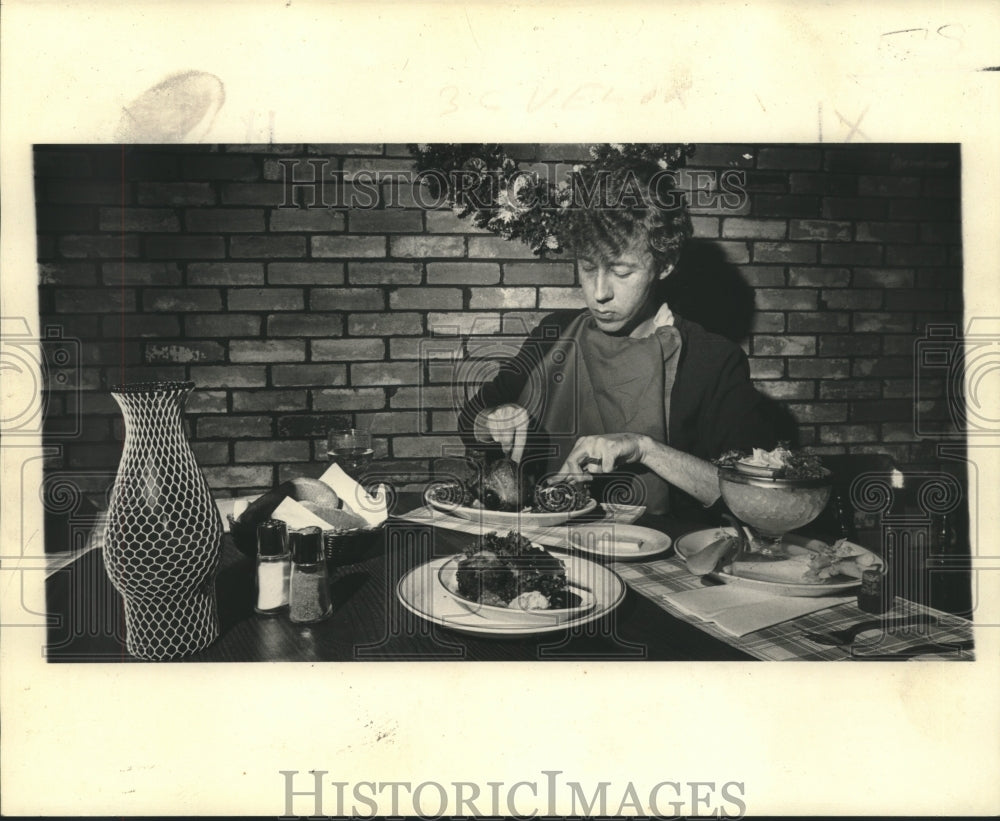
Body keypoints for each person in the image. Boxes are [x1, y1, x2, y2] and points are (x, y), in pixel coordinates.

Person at [457, 147, 777, 520]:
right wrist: (496, 417)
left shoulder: (713, 360)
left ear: (665, 264)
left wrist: (645, 449)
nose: (600, 292)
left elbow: (756, 496)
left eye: (622, 272)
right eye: (588, 268)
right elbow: (472, 421)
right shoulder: (556, 332)